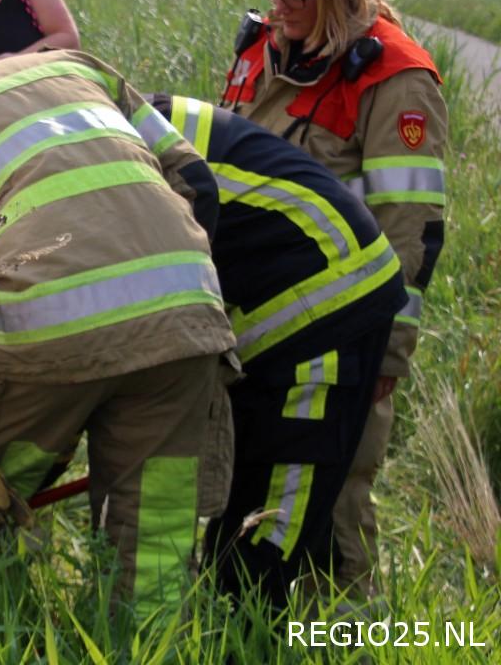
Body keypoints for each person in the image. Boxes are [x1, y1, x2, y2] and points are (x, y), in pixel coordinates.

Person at [0, 17, 234, 616]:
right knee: (157, 540)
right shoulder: (75, 68)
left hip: (38, 337)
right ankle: (147, 644)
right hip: (183, 318)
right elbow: (198, 183)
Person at [218, 0, 447, 600]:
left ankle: (344, 628)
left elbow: (411, 230)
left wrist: (390, 349)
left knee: (338, 492)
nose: (278, 10)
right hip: (249, 322)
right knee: (238, 476)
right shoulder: (261, 48)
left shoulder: (396, 80)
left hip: (344, 331)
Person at [147, 94, 407, 608]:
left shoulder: (100, 149)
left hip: (328, 298)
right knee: (242, 499)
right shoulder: (94, 117)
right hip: (281, 290)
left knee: (267, 532)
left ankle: (281, 632)